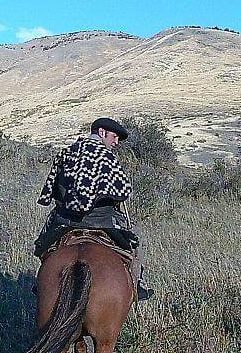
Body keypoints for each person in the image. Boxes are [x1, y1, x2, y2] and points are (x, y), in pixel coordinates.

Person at [34, 117, 154, 300]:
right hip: (102, 221)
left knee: (43, 246)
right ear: (101, 132)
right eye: (114, 137)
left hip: (66, 219)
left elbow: (51, 186)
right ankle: (138, 285)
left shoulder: (67, 152)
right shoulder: (106, 157)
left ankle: (40, 281)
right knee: (134, 244)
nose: (116, 142)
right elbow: (123, 191)